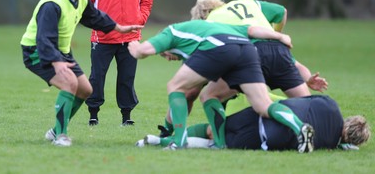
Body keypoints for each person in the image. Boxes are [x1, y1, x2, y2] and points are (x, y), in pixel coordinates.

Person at [157, 0, 327, 141]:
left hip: (250, 57)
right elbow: (282, 12)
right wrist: (277, 35)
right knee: (308, 106)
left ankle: (219, 142)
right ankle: (332, 138)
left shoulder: (209, 26)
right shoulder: (248, 3)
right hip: (279, 49)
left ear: (200, 18)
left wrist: (167, 129)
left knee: (210, 95)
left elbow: (189, 92)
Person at [128, 19, 315, 153]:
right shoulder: (211, 27)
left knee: (175, 87)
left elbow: (142, 51)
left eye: (165, 55)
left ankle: (178, 141)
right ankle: (300, 128)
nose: (168, 58)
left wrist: (132, 44)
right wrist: (279, 37)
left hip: (218, 46)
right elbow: (251, 30)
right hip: (247, 48)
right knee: (257, 104)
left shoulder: (171, 32)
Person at [20, 0, 143, 146]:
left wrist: (118, 28)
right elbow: (43, 39)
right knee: (69, 83)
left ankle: (55, 131)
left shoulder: (81, 0)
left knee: (86, 89)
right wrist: (57, 61)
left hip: (60, 52)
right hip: (37, 51)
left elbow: (95, 18)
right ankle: (61, 136)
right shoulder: (52, 4)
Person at [137, 95, 371, 151]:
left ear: (349, 119)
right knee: (220, 143)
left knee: (214, 130)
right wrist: (343, 144)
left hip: (270, 113)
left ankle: (164, 138)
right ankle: (159, 140)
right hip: (269, 137)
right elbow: (337, 141)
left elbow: (298, 97)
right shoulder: (331, 143)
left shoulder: (329, 103)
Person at [86, 0, 154, 126]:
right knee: (97, 78)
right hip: (103, 38)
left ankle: (127, 116)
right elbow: (86, 3)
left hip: (130, 38)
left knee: (127, 79)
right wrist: (98, 24)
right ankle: (93, 114)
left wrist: (139, 18)